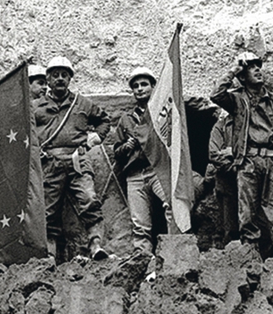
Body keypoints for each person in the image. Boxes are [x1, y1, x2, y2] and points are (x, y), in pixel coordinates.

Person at [209, 51, 273, 256]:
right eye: (251, 67)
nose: (258, 70)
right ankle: (249, 254)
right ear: (243, 76)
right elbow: (216, 94)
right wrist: (234, 70)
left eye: (258, 66)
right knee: (247, 211)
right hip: (249, 161)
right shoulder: (237, 99)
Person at [33, 56, 110, 260]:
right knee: (47, 211)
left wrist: (94, 139)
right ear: (48, 79)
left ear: (70, 79)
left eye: (64, 75)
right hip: (49, 162)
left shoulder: (82, 103)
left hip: (78, 159)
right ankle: (49, 255)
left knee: (89, 199)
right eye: (55, 75)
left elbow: (104, 120)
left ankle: (96, 245)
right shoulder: (35, 106)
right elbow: (24, 132)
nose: (60, 78)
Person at [113, 67, 171, 256]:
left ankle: (172, 251)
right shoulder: (126, 119)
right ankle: (143, 257)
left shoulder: (163, 114)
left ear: (153, 87)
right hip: (135, 174)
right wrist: (126, 147)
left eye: (144, 84)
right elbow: (117, 152)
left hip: (158, 170)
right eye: (135, 86)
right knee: (139, 223)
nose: (139, 89)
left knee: (172, 206)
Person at [207, 111, 239, 246]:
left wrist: (232, 151)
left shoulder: (250, 123)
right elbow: (214, 154)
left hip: (251, 179)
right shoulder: (220, 127)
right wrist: (235, 167)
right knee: (229, 225)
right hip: (228, 180)